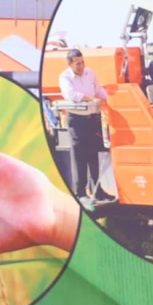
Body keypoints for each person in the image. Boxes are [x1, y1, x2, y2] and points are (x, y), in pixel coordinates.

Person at [56, 47, 109, 202]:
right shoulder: (65, 77)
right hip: (77, 119)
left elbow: (98, 90)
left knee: (93, 156)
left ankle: (98, 191)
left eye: (82, 62)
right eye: (77, 64)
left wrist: (110, 98)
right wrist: (90, 99)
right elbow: (71, 95)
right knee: (79, 157)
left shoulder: (90, 73)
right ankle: (80, 193)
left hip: (92, 118)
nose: (81, 66)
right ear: (70, 64)